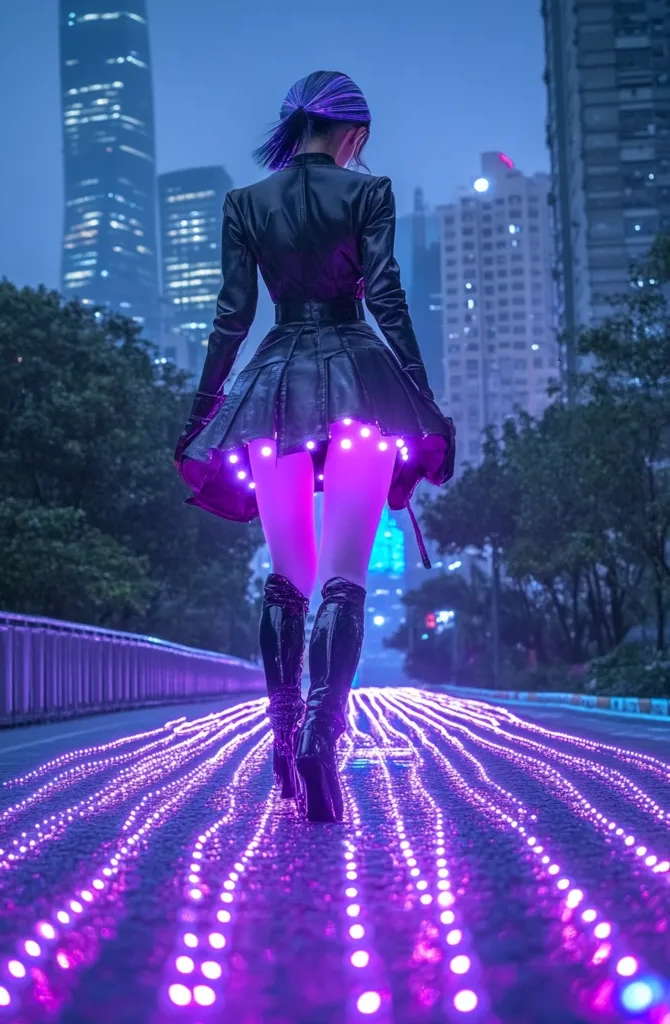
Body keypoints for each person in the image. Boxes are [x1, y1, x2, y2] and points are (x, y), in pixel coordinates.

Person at [175, 71, 455, 823]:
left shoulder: (245, 204)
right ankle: (320, 737)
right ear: (353, 134)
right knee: (344, 579)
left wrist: (204, 408)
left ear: (298, 126)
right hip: (358, 380)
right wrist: (422, 397)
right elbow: (387, 296)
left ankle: (282, 732)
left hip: (271, 389)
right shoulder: (369, 192)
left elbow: (231, 317)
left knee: (287, 576)